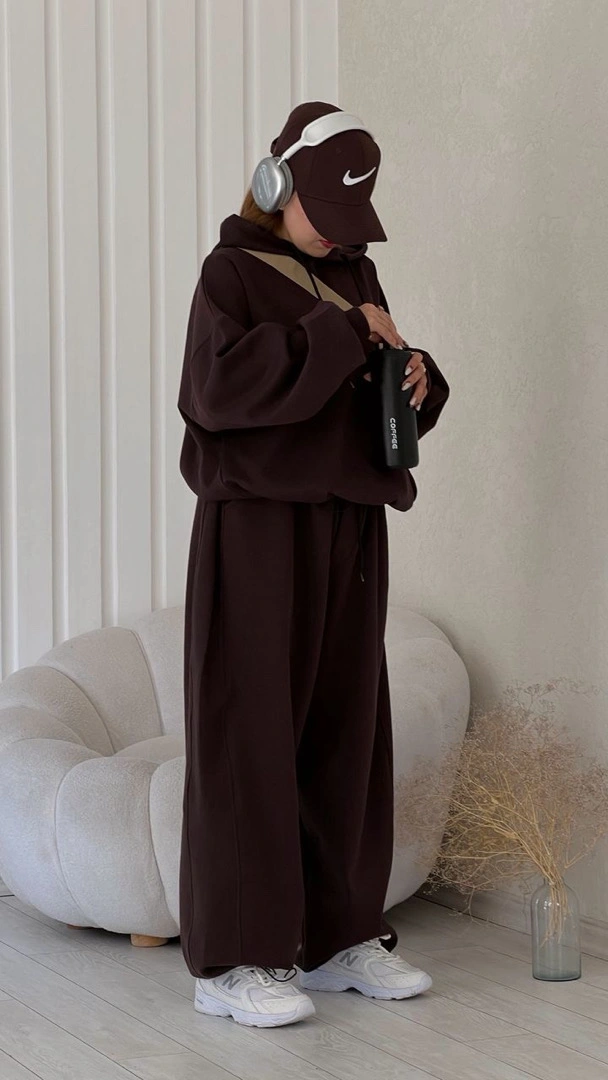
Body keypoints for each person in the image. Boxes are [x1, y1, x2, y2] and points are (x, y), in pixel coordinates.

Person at [177, 100, 450, 1028]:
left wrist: (416, 377)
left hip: (350, 525)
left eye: (351, 218)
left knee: (347, 733)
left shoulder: (354, 271)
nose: (338, 235)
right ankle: (233, 961)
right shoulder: (230, 273)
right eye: (324, 213)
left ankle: (339, 938)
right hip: (257, 527)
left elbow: (355, 392)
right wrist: (344, 334)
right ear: (277, 184)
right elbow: (215, 391)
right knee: (249, 735)